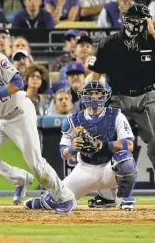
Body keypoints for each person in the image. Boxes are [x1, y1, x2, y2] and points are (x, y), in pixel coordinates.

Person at [0, 29, 76, 212]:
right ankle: (20, 178)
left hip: (20, 113)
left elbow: (18, 83)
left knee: (36, 163)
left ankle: (64, 197)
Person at [24, 80, 138, 211]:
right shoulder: (73, 120)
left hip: (109, 169)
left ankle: (125, 198)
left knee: (125, 159)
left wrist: (103, 145)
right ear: (84, 95)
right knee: (56, 200)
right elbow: (64, 152)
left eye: (98, 93)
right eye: (91, 93)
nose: (94, 96)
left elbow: (129, 145)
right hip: (85, 169)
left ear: (105, 95)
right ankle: (44, 202)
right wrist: (74, 147)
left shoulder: (117, 115)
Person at [87, 3, 155, 208]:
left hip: (148, 95)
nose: (139, 22)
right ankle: (107, 196)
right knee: (109, 144)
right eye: (135, 18)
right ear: (125, 19)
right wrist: (91, 97)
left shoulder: (152, 39)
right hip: (117, 98)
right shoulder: (109, 43)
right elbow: (95, 73)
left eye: (143, 19)